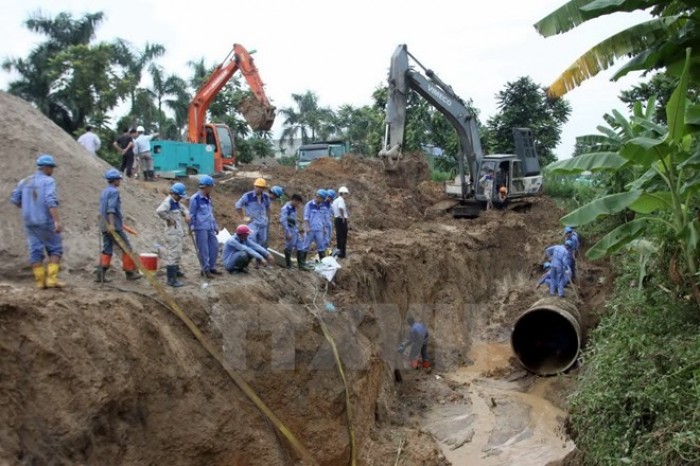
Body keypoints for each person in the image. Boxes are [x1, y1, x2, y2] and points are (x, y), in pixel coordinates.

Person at [10, 154, 64, 289]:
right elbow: (50, 200)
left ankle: (40, 282)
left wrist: (28, 208)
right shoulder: (48, 181)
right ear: (46, 167)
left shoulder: (24, 181)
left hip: (29, 221)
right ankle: (52, 280)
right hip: (45, 220)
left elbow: (15, 199)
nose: (52, 170)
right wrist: (57, 221)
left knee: (35, 250)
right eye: (51, 167)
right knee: (55, 248)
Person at [96, 168, 142, 283]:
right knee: (127, 248)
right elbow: (111, 209)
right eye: (119, 180)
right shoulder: (114, 192)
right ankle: (129, 273)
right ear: (115, 180)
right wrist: (112, 225)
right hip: (113, 226)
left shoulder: (104, 191)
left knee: (107, 249)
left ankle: (100, 274)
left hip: (103, 225)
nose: (120, 182)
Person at [156, 183, 190, 287]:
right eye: (179, 196)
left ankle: (176, 270)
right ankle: (171, 279)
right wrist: (169, 219)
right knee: (174, 254)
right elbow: (159, 211)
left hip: (177, 232)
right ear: (174, 194)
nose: (180, 198)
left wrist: (186, 214)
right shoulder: (168, 202)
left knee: (178, 252)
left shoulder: (176, 202)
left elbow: (183, 208)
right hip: (172, 233)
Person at [189, 175, 221, 278]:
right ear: (206, 187)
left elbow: (210, 214)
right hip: (200, 227)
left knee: (214, 247)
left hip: (210, 226)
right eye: (211, 187)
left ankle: (211, 267)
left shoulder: (208, 199)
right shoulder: (195, 199)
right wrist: (192, 226)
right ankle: (205, 269)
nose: (212, 189)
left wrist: (215, 225)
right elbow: (192, 214)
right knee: (203, 250)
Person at [235, 178, 271, 249]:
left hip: (263, 224)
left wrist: (267, 219)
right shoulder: (248, 196)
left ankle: (259, 258)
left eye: (260, 187)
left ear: (263, 188)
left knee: (262, 242)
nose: (258, 188)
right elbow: (238, 206)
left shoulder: (266, 197)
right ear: (254, 186)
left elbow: (268, 208)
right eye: (256, 186)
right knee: (251, 241)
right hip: (253, 223)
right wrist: (243, 218)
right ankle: (250, 257)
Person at [279, 193, 306, 270]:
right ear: (294, 200)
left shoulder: (293, 208)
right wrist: (287, 232)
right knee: (289, 247)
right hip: (290, 231)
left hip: (295, 231)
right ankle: (288, 265)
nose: (298, 205)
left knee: (300, 246)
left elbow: (294, 220)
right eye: (298, 203)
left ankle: (301, 265)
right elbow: (283, 221)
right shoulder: (286, 208)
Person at [302, 189, 328, 260]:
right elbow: (306, 217)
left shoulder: (322, 206)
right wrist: (306, 227)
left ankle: (323, 262)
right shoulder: (309, 205)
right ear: (318, 197)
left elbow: (323, 218)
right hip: (310, 229)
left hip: (319, 229)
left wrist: (324, 228)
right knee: (305, 246)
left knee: (321, 246)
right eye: (322, 199)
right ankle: (301, 262)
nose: (323, 201)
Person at [332, 186, 350, 258]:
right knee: (343, 236)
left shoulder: (335, 200)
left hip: (336, 219)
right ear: (343, 193)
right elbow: (341, 208)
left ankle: (339, 251)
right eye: (346, 194)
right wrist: (343, 217)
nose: (347, 196)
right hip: (340, 219)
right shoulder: (341, 200)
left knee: (339, 236)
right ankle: (342, 253)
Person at [323, 189, 335, 254]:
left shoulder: (329, 206)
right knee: (324, 241)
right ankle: (323, 256)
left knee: (327, 240)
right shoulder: (322, 205)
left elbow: (332, 215)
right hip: (324, 225)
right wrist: (323, 227)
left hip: (329, 225)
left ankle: (326, 254)